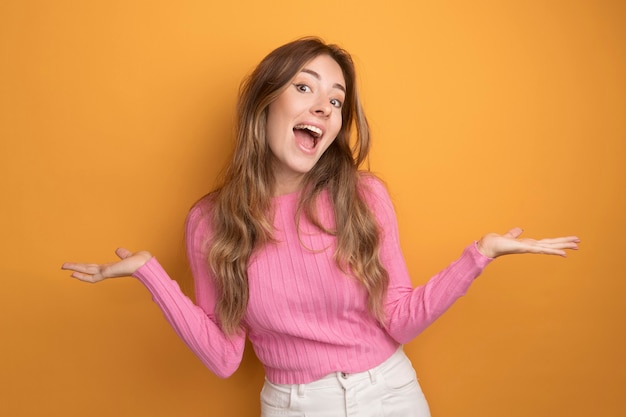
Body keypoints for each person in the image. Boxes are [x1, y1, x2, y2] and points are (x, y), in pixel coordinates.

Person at [61, 37, 579, 417]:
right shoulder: (210, 222)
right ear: (264, 104)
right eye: (304, 87)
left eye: (335, 101)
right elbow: (223, 357)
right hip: (293, 407)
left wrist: (478, 256)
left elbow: (398, 319)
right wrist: (150, 272)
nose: (323, 107)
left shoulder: (363, 197)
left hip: (390, 396)